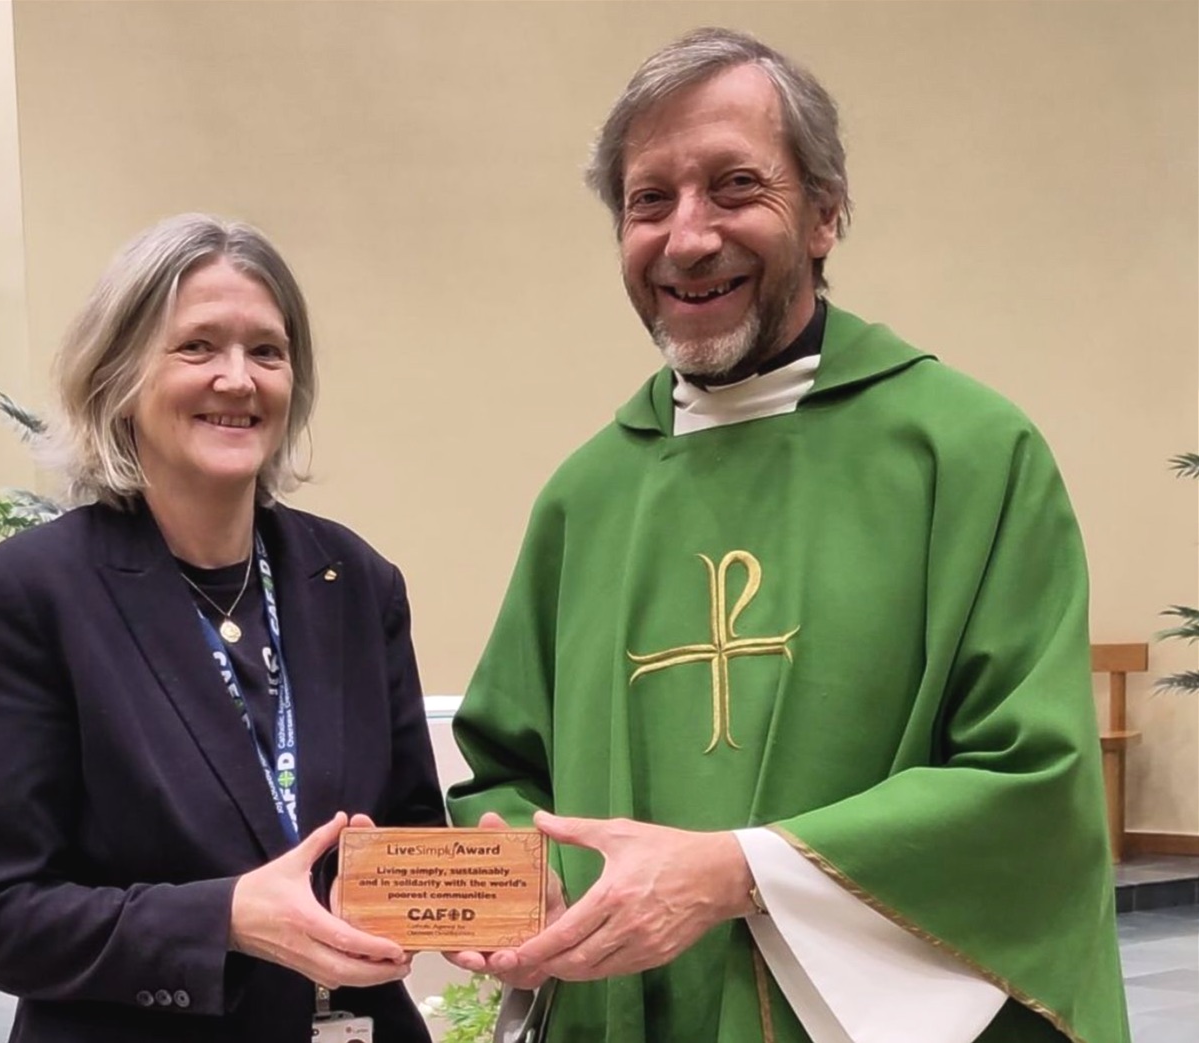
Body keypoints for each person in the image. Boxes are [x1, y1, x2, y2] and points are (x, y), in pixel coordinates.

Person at [446, 28, 1128, 1043]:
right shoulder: (585, 494)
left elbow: (1028, 787)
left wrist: (734, 871)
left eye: (733, 186)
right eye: (648, 200)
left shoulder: (967, 454)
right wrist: (512, 875)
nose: (686, 236)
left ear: (824, 212)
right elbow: (503, 761)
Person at [0, 213, 443, 1042]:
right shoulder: (32, 594)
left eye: (267, 351)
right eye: (198, 347)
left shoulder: (354, 580)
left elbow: (405, 832)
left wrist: (477, 890)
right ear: (118, 377)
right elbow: (1, 912)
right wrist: (225, 917)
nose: (238, 379)